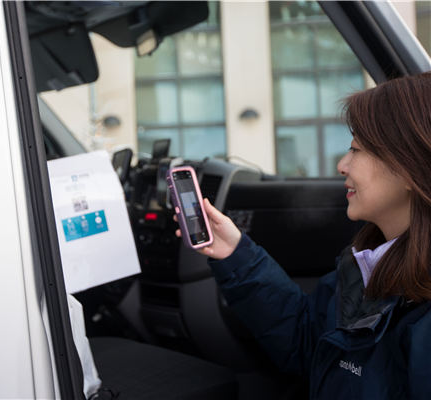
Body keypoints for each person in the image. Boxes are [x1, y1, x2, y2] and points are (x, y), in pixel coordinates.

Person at [176, 72, 431, 399]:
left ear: (410, 168)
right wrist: (235, 252)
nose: (342, 165)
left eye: (357, 150)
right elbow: (309, 343)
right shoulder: (364, 265)